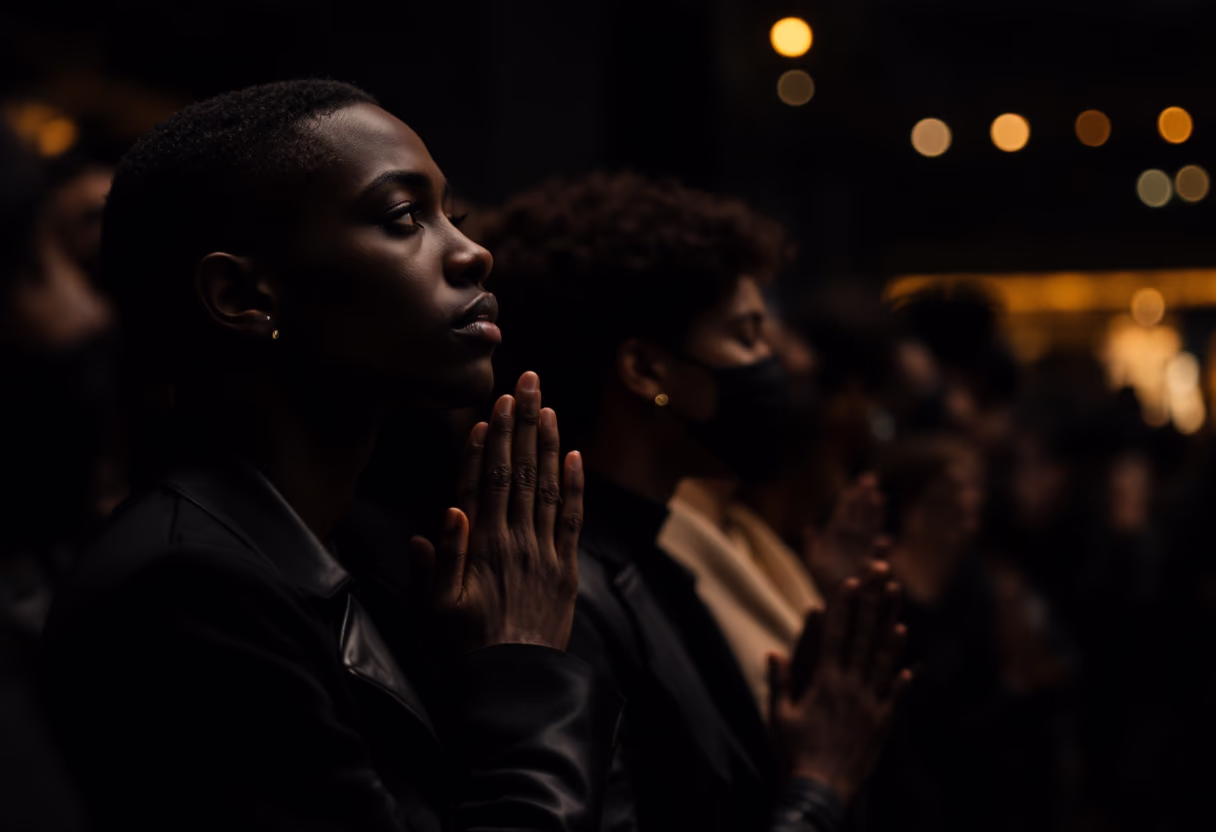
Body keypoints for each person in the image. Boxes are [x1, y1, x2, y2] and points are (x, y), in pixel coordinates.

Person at [42, 80, 620, 832]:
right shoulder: (184, 592)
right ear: (242, 295)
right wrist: (526, 669)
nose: (473, 252)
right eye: (404, 217)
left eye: (457, 217)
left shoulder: (369, 558)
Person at [483, 172, 911, 832]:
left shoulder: (644, 558)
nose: (782, 364)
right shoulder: (567, 597)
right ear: (647, 370)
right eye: (744, 335)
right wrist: (819, 786)